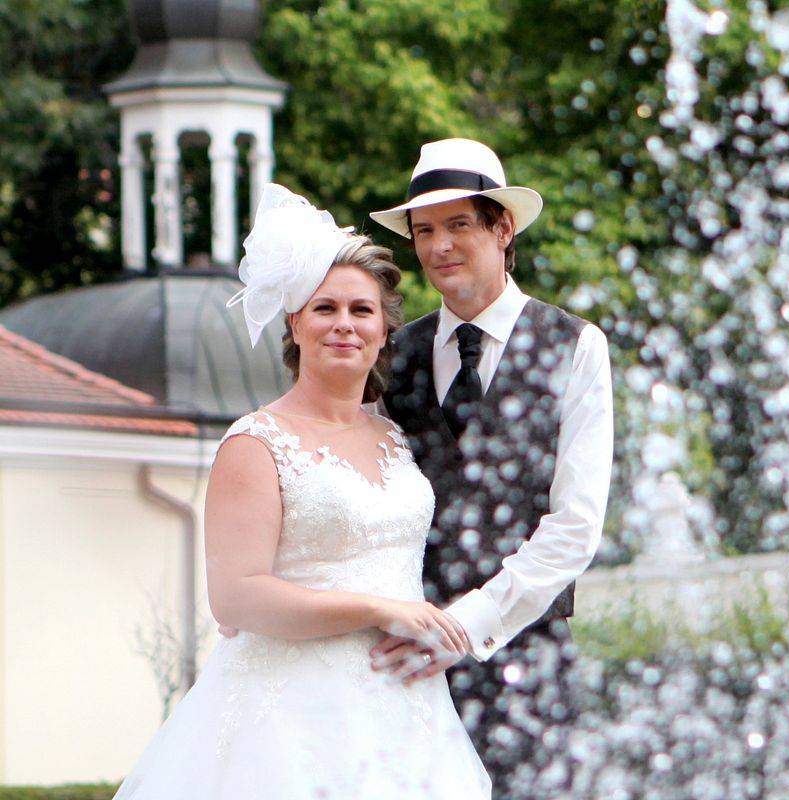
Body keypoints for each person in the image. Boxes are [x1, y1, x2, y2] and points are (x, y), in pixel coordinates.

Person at [112, 184, 491, 799]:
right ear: (296, 321)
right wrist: (377, 609)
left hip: (406, 709)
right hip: (289, 717)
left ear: (384, 330)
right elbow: (236, 598)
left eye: (361, 310)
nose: (345, 324)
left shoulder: (396, 436)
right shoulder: (256, 443)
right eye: (326, 308)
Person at [368, 138, 614, 798]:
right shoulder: (393, 355)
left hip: (526, 661)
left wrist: (468, 626)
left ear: (502, 228)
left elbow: (575, 528)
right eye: (424, 231)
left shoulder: (575, 346)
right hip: (402, 661)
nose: (439, 246)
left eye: (458, 225)